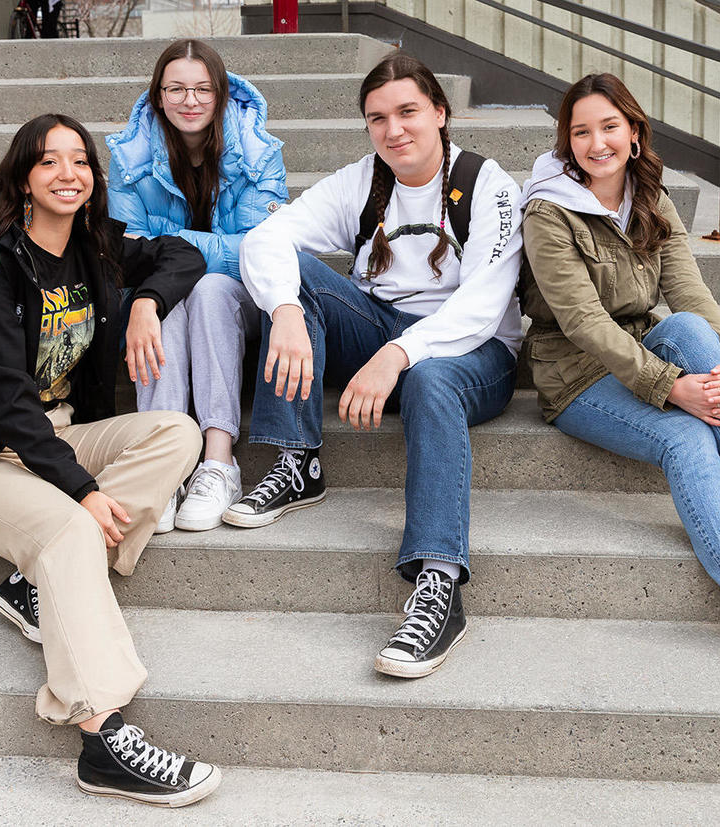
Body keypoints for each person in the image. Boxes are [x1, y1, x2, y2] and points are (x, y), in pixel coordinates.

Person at [0, 114, 223, 805]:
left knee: (177, 433)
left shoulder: (97, 247)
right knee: (69, 527)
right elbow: (6, 404)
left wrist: (147, 301)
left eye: (80, 160)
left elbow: (184, 255)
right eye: (50, 161)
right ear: (23, 177)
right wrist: (83, 490)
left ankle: (40, 585)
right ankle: (101, 735)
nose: (68, 173)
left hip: (57, 439)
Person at [518, 73, 720, 680]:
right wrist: (672, 389)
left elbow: (687, 292)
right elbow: (585, 323)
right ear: (566, 143)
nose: (597, 143)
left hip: (646, 347)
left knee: (695, 334)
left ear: (635, 133)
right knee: (687, 436)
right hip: (576, 375)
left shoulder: (650, 198)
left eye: (610, 127)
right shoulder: (548, 211)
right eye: (581, 131)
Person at [226, 53, 524, 679]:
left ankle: (439, 583)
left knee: (431, 377)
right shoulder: (364, 182)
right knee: (295, 275)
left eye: (408, 112)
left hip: (471, 357)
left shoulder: (489, 185)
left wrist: (398, 354)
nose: (394, 131)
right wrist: (281, 308)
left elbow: (481, 307)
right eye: (377, 118)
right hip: (380, 334)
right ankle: (296, 460)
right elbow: (265, 239)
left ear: (441, 114)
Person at [106, 38, 289, 532]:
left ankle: (219, 462)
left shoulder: (258, 154)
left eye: (204, 89)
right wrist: (168, 274)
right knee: (168, 298)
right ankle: (163, 466)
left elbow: (258, 251)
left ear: (222, 93)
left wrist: (176, 249)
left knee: (204, 289)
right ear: (158, 95)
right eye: (178, 89)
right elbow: (126, 251)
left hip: (238, 298)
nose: (191, 101)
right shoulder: (129, 159)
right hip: (161, 297)